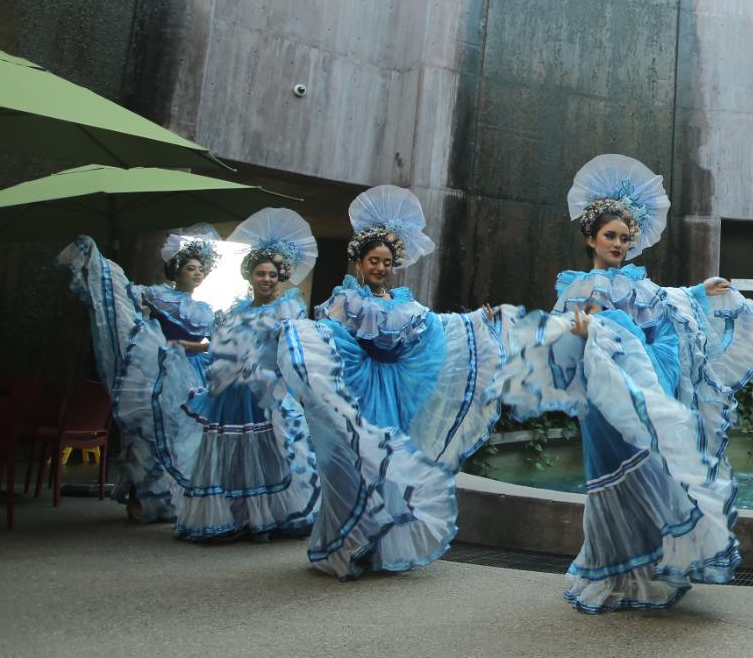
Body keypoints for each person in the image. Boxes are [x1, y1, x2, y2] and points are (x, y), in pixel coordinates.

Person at [499, 154, 753, 612]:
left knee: (656, 472)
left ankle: (649, 571)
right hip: (607, 400)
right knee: (616, 480)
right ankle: (614, 575)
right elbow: (560, 334)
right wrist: (586, 330)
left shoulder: (642, 285)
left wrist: (697, 293)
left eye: (625, 237)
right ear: (590, 238)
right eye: (610, 236)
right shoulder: (577, 287)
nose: (619, 243)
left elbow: (668, 312)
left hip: (648, 389)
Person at [277, 186, 508, 579]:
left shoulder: (406, 305)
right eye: (373, 261)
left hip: (397, 393)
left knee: (388, 466)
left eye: (386, 262)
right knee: (354, 466)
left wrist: (477, 321)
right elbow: (329, 339)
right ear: (359, 263)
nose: (380, 268)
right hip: (358, 389)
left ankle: (378, 547)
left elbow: (439, 330)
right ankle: (344, 545)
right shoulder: (343, 301)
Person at [167, 209, 321, 542]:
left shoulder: (287, 309)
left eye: (272, 275)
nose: (266, 279)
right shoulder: (235, 312)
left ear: (280, 278)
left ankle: (268, 516)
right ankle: (237, 517)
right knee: (233, 456)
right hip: (232, 394)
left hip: (266, 393)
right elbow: (220, 348)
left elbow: (293, 351)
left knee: (269, 455)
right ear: (250, 277)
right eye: (260, 273)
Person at [57, 224, 220, 522]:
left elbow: (213, 341)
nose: (197, 273)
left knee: (188, 436)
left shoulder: (206, 308)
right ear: (178, 270)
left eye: (201, 270)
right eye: (190, 268)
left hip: (196, 375)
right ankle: (140, 496)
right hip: (162, 370)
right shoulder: (158, 295)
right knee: (149, 433)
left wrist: (194, 346)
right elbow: (125, 300)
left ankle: (174, 500)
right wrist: (103, 269)